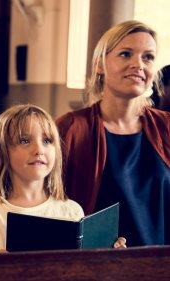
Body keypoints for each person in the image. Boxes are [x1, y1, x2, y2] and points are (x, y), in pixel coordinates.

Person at [56, 20, 170, 247]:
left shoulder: (166, 127)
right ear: (99, 64)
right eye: (126, 54)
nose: (138, 64)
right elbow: (49, 204)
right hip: (98, 265)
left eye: (147, 57)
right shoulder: (71, 128)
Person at [0, 104, 126, 253]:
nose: (39, 149)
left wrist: (109, 255)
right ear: (3, 151)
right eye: (25, 141)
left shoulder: (72, 211)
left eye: (47, 141)